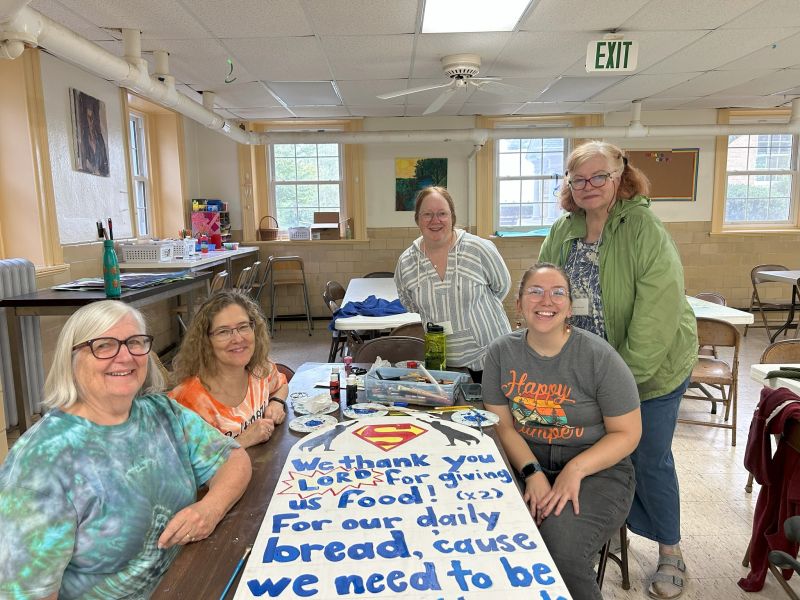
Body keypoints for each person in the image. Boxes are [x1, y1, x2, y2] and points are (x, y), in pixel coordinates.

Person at [0, 301, 251, 599]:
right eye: (103, 346)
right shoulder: (41, 463)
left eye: (134, 342)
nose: (125, 356)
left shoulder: (162, 412)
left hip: (191, 578)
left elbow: (234, 459)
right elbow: (26, 593)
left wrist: (210, 509)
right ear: (71, 358)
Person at [539, 141, 697, 600]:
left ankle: (671, 551)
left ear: (620, 175)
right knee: (591, 456)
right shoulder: (564, 229)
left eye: (598, 177)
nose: (588, 187)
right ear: (569, 186)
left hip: (651, 370)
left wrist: (618, 387)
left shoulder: (643, 227)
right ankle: (601, 529)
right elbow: (547, 292)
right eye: (578, 180)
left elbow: (656, 317)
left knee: (647, 457)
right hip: (587, 371)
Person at [483, 263, 642, 600]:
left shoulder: (599, 357)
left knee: (561, 549)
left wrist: (575, 469)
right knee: (491, 534)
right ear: (519, 303)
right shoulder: (501, 352)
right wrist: (533, 473)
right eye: (535, 292)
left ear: (570, 307)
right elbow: (503, 426)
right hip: (526, 459)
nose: (547, 301)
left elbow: (627, 434)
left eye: (558, 293)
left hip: (597, 469)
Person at [394, 186, 511, 382]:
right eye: (427, 214)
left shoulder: (478, 248)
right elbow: (410, 303)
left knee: (493, 412)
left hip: (491, 357)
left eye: (442, 214)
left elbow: (501, 287)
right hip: (442, 364)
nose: (435, 220)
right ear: (417, 219)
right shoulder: (407, 262)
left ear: (452, 217)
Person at [170, 289, 287, 447]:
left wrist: (276, 402)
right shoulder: (187, 401)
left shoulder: (260, 370)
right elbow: (182, 465)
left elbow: (281, 384)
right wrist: (243, 440)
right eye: (223, 332)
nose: (238, 338)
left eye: (243, 327)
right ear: (205, 341)